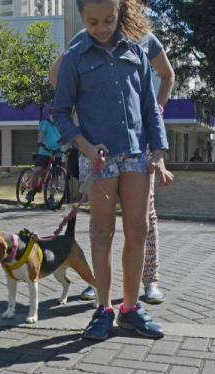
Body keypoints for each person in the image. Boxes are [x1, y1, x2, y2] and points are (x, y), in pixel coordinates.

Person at [53, 0, 173, 340]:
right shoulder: (75, 56)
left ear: (120, 12)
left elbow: (150, 107)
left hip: (136, 155)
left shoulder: (136, 50)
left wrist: (159, 153)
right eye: (93, 22)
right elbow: (61, 113)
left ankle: (131, 308)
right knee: (101, 233)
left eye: (108, 19)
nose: (102, 28)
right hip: (99, 159)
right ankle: (103, 309)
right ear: (81, 17)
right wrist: (87, 148)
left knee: (138, 229)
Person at [24, 110, 63, 206]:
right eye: (52, 115)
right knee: (38, 170)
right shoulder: (45, 123)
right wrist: (40, 143)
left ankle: (51, 197)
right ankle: (31, 192)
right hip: (45, 151)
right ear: (49, 115)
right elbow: (41, 134)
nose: (54, 116)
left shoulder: (61, 125)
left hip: (57, 152)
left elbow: (66, 136)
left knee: (55, 174)